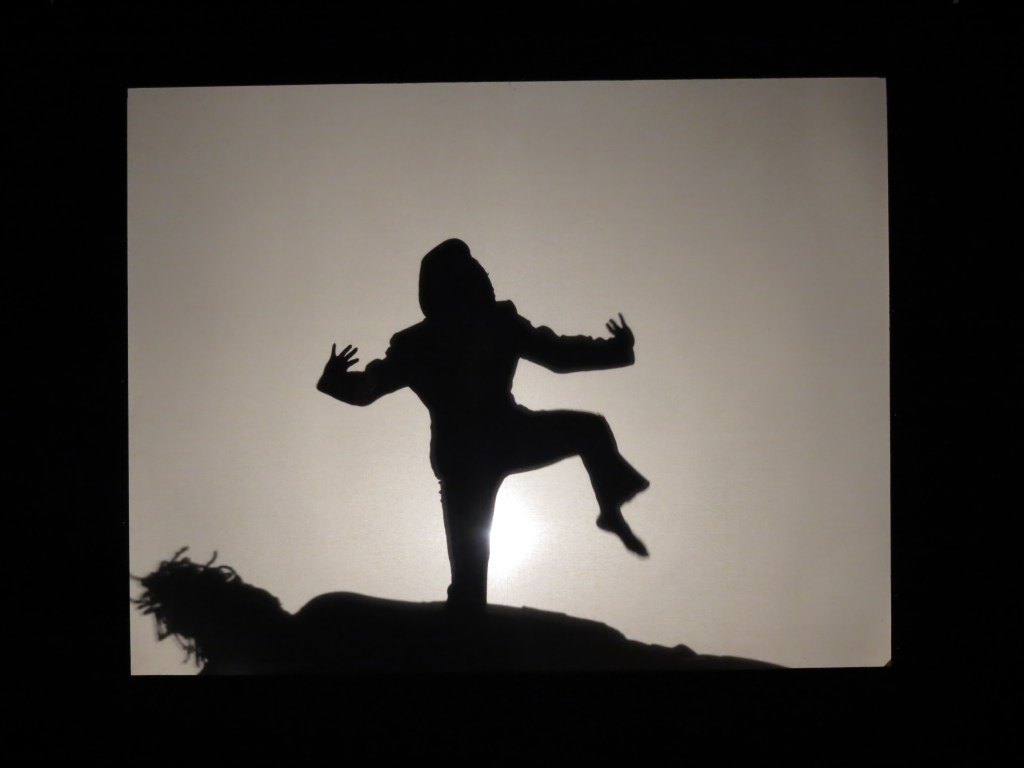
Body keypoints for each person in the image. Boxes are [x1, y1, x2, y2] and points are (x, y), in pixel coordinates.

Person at [317, 238, 649, 612]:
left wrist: (615, 350)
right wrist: (336, 382)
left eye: (483, 274)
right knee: (469, 583)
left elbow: (559, 354)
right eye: (476, 275)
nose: (486, 280)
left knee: (590, 430)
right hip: (470, 454)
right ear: (457, 285)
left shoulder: (496, 323)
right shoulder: (421, 343)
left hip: (499, 438)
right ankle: (467, 612)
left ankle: (610, 509)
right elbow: (371, 386)